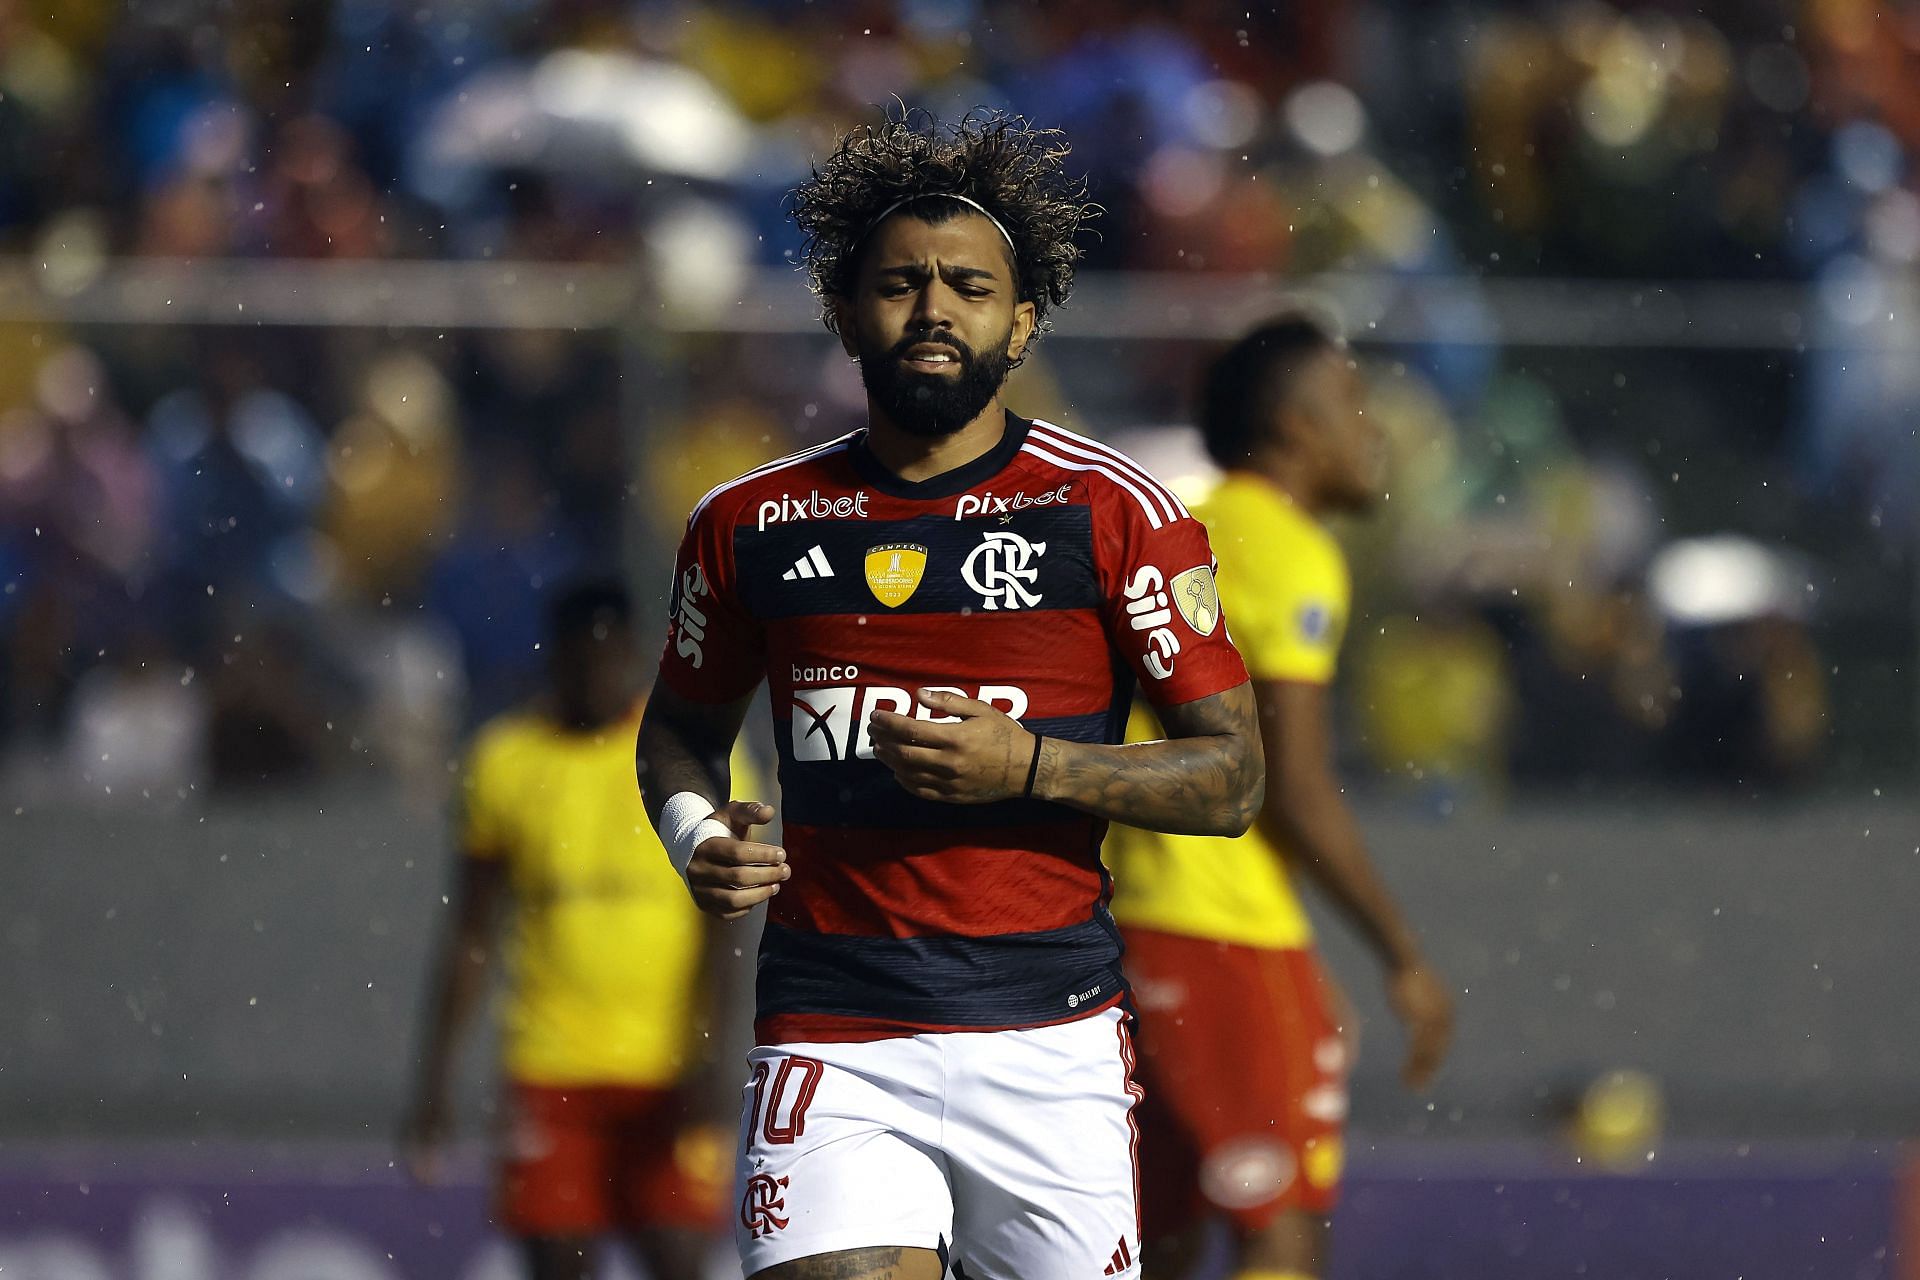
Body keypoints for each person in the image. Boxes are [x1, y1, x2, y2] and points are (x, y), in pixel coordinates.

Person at [635, 111, 1264, 1280]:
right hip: (833, 1028)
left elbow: (1233, 778)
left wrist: (1029, 766)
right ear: (843, 311)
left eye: (969, 286)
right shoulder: (746, 525)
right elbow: (676, 733)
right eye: (900, 284)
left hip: (1051, 1036)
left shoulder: (1117, 513)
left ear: (1020, 321)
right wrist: (694, 831)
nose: (933, 308)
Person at [1104, 316, 1456, 1280]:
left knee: (1156, 1235)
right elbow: (1293, 788)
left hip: (1118, 924)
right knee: (1282, 1229)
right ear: (1296, 427)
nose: (1371, 431)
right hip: (1216, 925)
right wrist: (1402, 954)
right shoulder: (1292, 550)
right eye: (1353, 406)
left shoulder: (1177, 529)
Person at [404, 581, 742, 1280]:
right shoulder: (504, 762)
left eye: (608, 660)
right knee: (557, 1265)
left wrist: (714, 1051)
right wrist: (433, 1081)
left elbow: (726, 925)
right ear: (551, 661)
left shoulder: (689, 753)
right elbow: (470, 933)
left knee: (680, 1260)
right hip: (550, 1069)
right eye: (579, 663)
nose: (595, 678)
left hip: (668, 1068)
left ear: (636, 656)